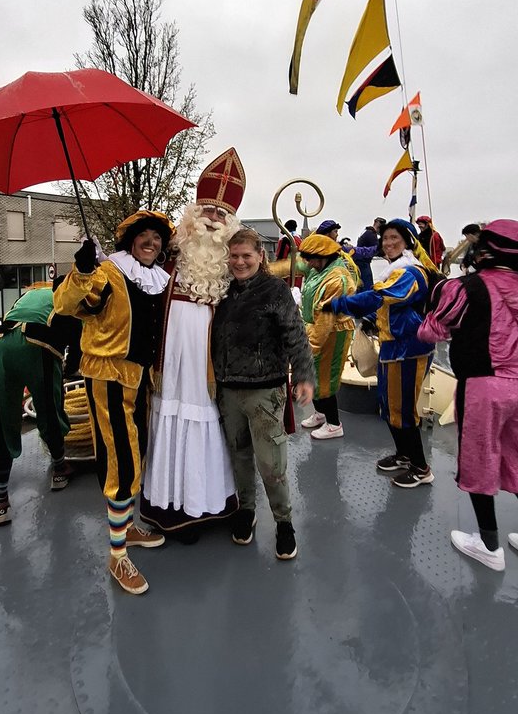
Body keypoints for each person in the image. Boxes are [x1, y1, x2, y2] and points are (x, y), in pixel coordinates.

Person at [418, 220, 518, 571]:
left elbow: (431, 332)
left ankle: (488, 544)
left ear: (482, 251)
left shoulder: (464, 288)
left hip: (484, 387)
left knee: (479, 458)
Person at [54, 211, 173, 596]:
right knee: (121, 457)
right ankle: (117, 555)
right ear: (130, 241)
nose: (151, 242)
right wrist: (84, 268)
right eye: (144, 236)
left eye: (157, 237)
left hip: (141, 378)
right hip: (108, 374)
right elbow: (68, 304)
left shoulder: (159, 280)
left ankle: (128, 527)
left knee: (137, 451)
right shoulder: (109, 273)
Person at [140, 148, 246, 540]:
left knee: (206, 424)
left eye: (221, 214)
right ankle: (172, 506)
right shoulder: (168, 253)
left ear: (230, 222)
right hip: (168, 361)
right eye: (207, 209)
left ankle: (207, 504)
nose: (212, 219)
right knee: (169, 420)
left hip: (209, 366)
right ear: (193, 213)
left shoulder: (235, 265)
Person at [211, 228, 315, 559]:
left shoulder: (275, 291)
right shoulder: (220, 291)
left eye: (246, 256)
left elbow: (296, 335)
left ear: (260, 257)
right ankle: (246, 509)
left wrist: (303, 375)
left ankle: (284, 523)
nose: (239, 262)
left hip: (264, 391)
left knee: (271, 463)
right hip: (228, 390)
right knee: (238, 455)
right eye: (234, 256)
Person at [326, 219, 435, 486]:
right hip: (391, 347)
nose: (387, 243)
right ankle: (404, 455)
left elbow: (381, 297)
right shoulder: (393, 270)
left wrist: (340, 304)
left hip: (408, 349)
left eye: (394, 238)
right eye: (384, 239)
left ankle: (421, 467)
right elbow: (385, 307)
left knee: (404, 409)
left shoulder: (411, 272)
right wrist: (372, 318)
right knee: (389, 405)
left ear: (408, 241)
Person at [0, 282, 73, 526]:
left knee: (1, 416)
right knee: (49, 408)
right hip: (38, 345)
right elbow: (76, 339)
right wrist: (71, 366)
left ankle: (1, 500)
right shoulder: (68, 297)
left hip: (1, 344)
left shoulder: (28, 296)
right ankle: (59, 470)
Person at [298, 232, 358, 439]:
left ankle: (334, 424)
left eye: (311, 259)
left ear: (324, 256)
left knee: (325, 379)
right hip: (315, 329)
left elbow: (325, 319)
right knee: (314, 375)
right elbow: (295, 266)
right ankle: (320, 413)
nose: (309, 263)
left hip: (333, 333)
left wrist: (310, 348)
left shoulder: (337, 279)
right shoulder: (319, 269)